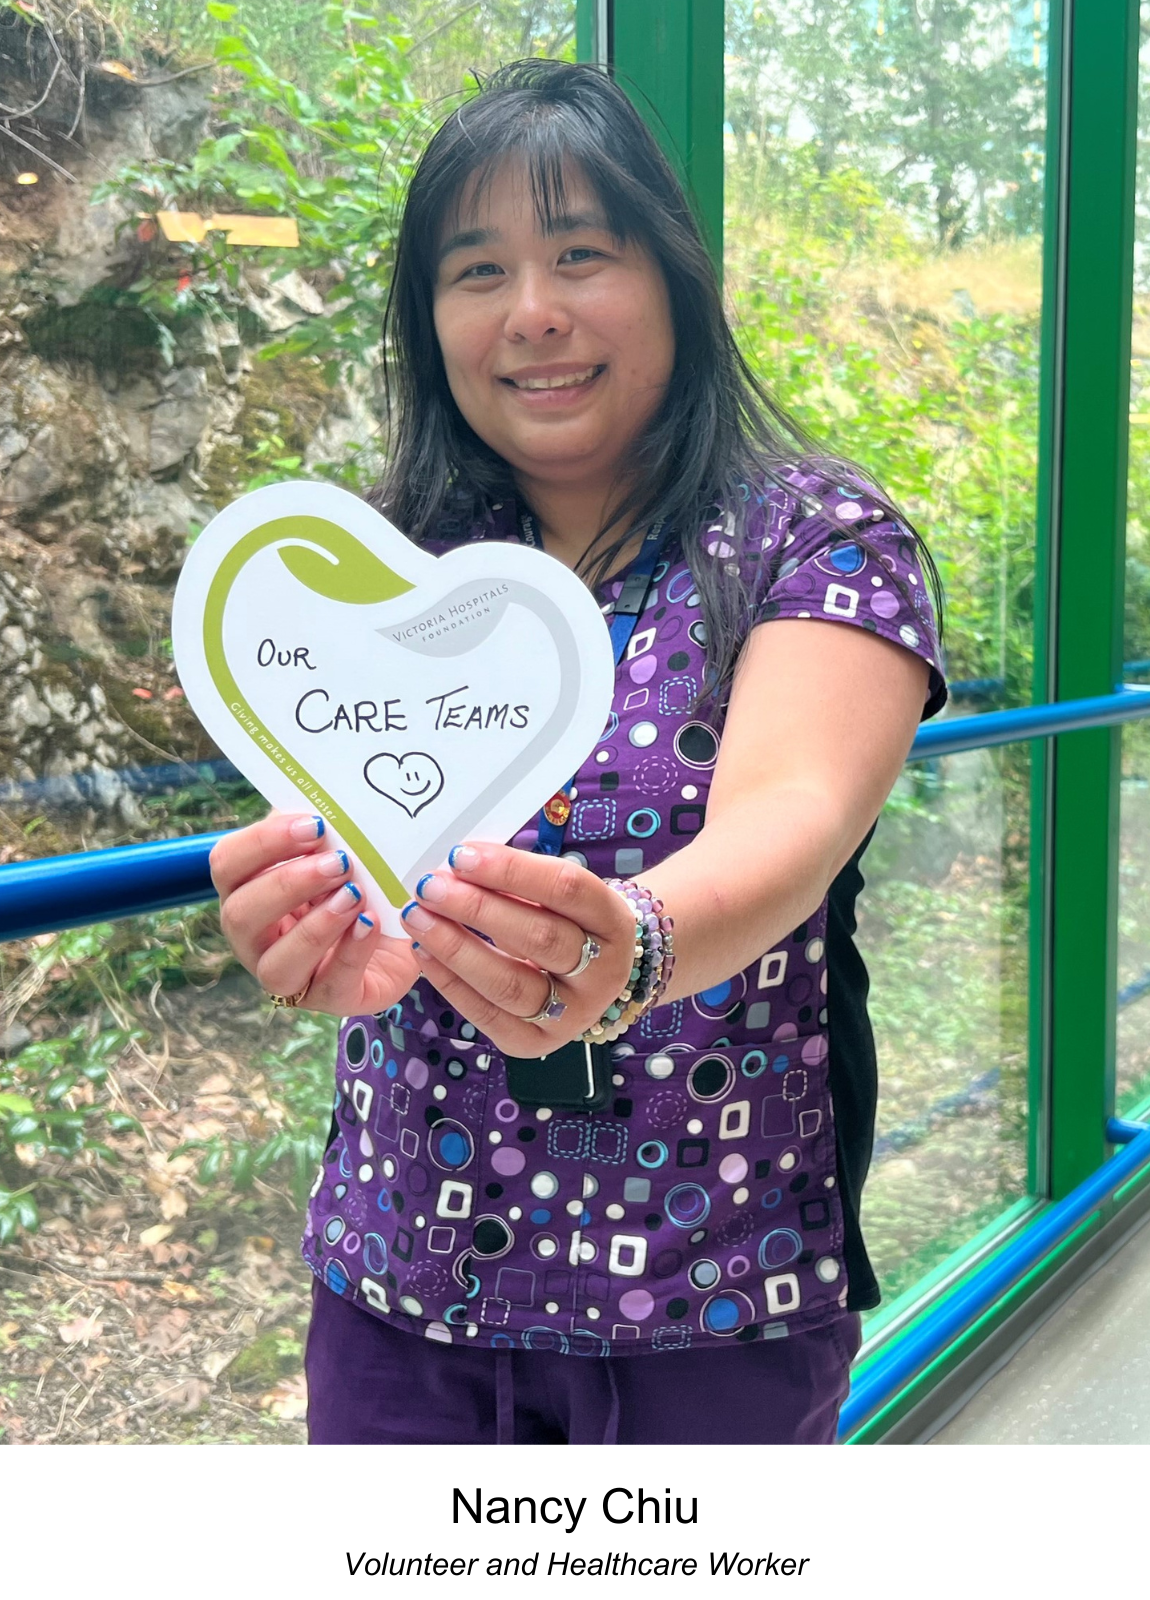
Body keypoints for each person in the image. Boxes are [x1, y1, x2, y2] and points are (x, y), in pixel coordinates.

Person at [207, 59, 945, 1446]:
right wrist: (304, 925)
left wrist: (639, 944)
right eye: (475, 270)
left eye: (580, 254)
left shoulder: (811, 541)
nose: (532, 312)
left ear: (672, 277)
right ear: (430, 324)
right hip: (397, 1295)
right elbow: (356, 863)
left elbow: (791, 811)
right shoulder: (388, 574)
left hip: (707, 1305)